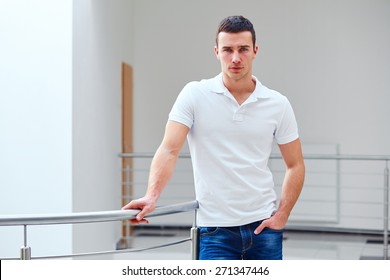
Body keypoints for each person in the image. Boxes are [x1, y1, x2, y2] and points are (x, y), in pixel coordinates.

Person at [122, 15, 305, 260]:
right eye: (228, 50)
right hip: (214, 231)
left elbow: (295, 165)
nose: (236, 58)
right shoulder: (194, 94)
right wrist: (152, 195)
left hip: (264, 229)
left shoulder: (277, 104)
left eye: (243, 49)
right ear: (217, 52)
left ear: (255, 51)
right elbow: (169, 149)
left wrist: (282, 215)